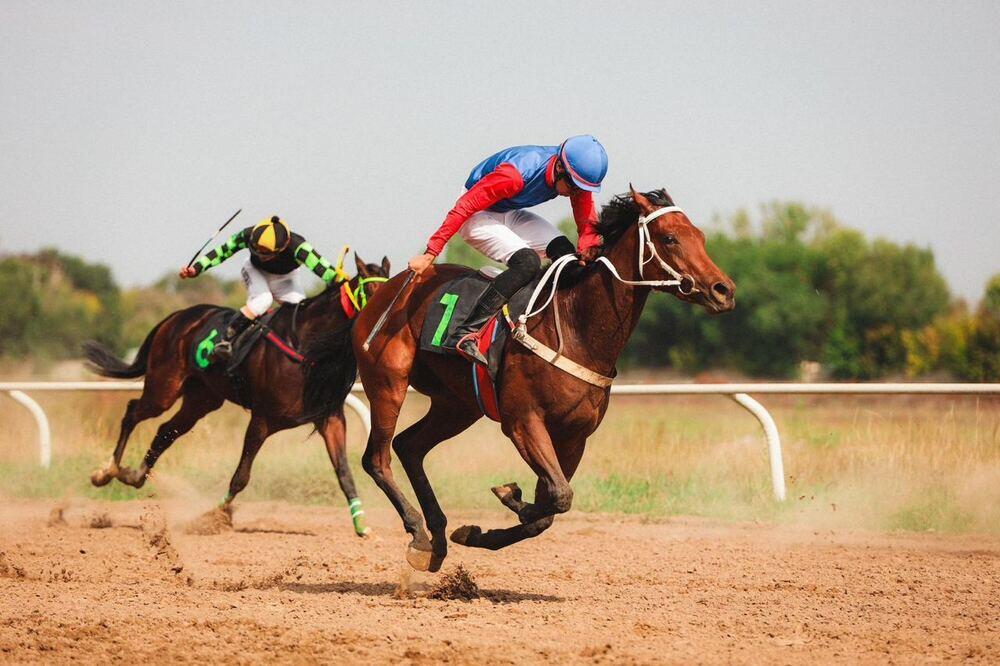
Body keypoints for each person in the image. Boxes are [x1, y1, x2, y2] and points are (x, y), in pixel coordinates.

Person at [408, 135, 609, 365]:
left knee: (566, 255)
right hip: (476, 214)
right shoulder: (514, 175)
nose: (576, 193)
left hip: (508, 210)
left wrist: (589, 248)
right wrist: (430, 252)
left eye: (582, 188)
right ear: (560, 167)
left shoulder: (573, 174)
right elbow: (464, 207)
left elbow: (586, 220)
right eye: (574, 186)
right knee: (528, 263)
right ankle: (464, 333)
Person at [179, 215, 344, 360]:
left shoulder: (298, 246)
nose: (261, 256)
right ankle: (225, 340)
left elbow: (325, 270)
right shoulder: (248, 234)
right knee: (262, 300)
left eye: (267, 254)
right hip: (254, 271)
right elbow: (223, 251)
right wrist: (197, 268)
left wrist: (342, 281)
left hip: (286, 279)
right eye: (257, 251)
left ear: (285, 244)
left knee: (300, 309)